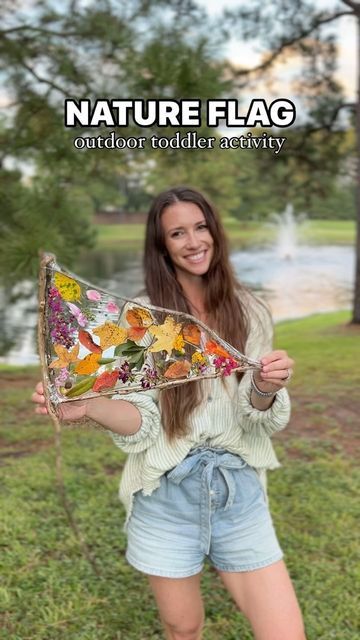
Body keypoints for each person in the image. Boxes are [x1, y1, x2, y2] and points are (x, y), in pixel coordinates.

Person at [32, 186, 306, 640]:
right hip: (165, 494)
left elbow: (257, 417)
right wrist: (91, 405)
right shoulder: (141, 316)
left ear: (214, 232)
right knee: (183, 627)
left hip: (238, 491)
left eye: (200, 227)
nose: (193, 241)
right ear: (162, 246)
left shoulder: (251, 310)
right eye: (177, 233)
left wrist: (263, 388)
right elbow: (144, 423)